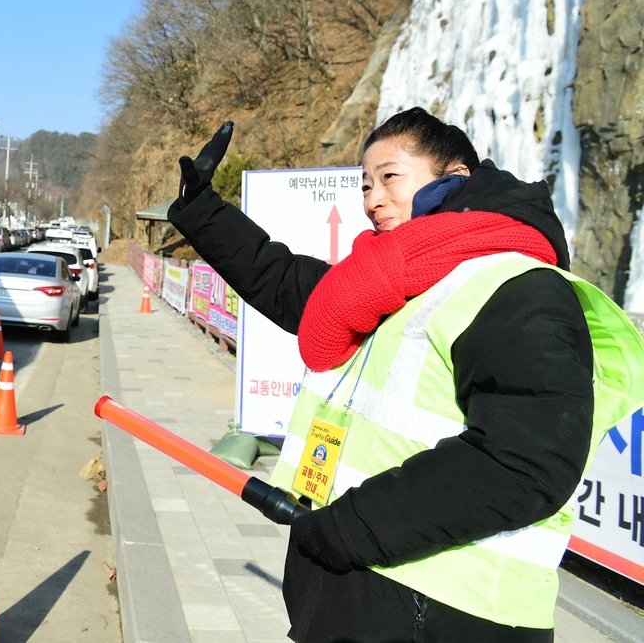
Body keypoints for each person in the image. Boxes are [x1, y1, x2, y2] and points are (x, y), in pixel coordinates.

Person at [166, 108, 644, 642]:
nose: (372, 198)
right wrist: (200, 208)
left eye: (390, 177)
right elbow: (280, 279)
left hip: (447, 610)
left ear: (455, 178)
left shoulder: (518, 286)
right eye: (364, 185)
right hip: (366, 586)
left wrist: (349, 528)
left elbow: (526, 461)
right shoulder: (387, 286)